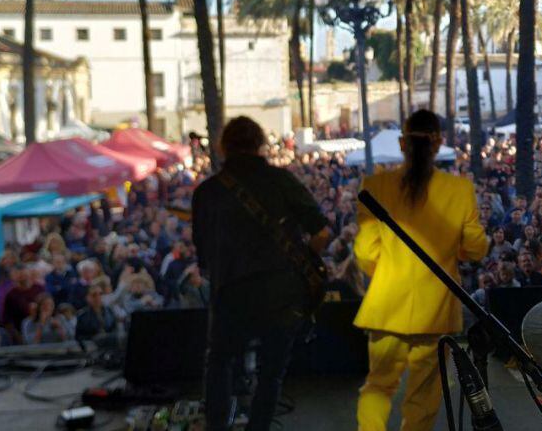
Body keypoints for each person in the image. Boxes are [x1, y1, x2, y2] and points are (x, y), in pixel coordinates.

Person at [193, 116, 332, 431]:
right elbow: (321, 231)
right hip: (281, 294)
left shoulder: (207, 192)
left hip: (229, 293)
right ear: (261, 145)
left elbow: (204, 258)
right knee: (271, 374)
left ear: (223, 147)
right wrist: (305, 258)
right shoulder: (281, 181)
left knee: (219, 364)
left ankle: (217, 427)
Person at [352, 110, 488, 431]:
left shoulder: (375, 185)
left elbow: (364, 252)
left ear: (402, 143)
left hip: (385, 307)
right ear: (439, 143)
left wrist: (387, 272)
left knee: (378, 386)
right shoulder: (459, 191)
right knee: (424, 396)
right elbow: (475, 249)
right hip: (436, 309)